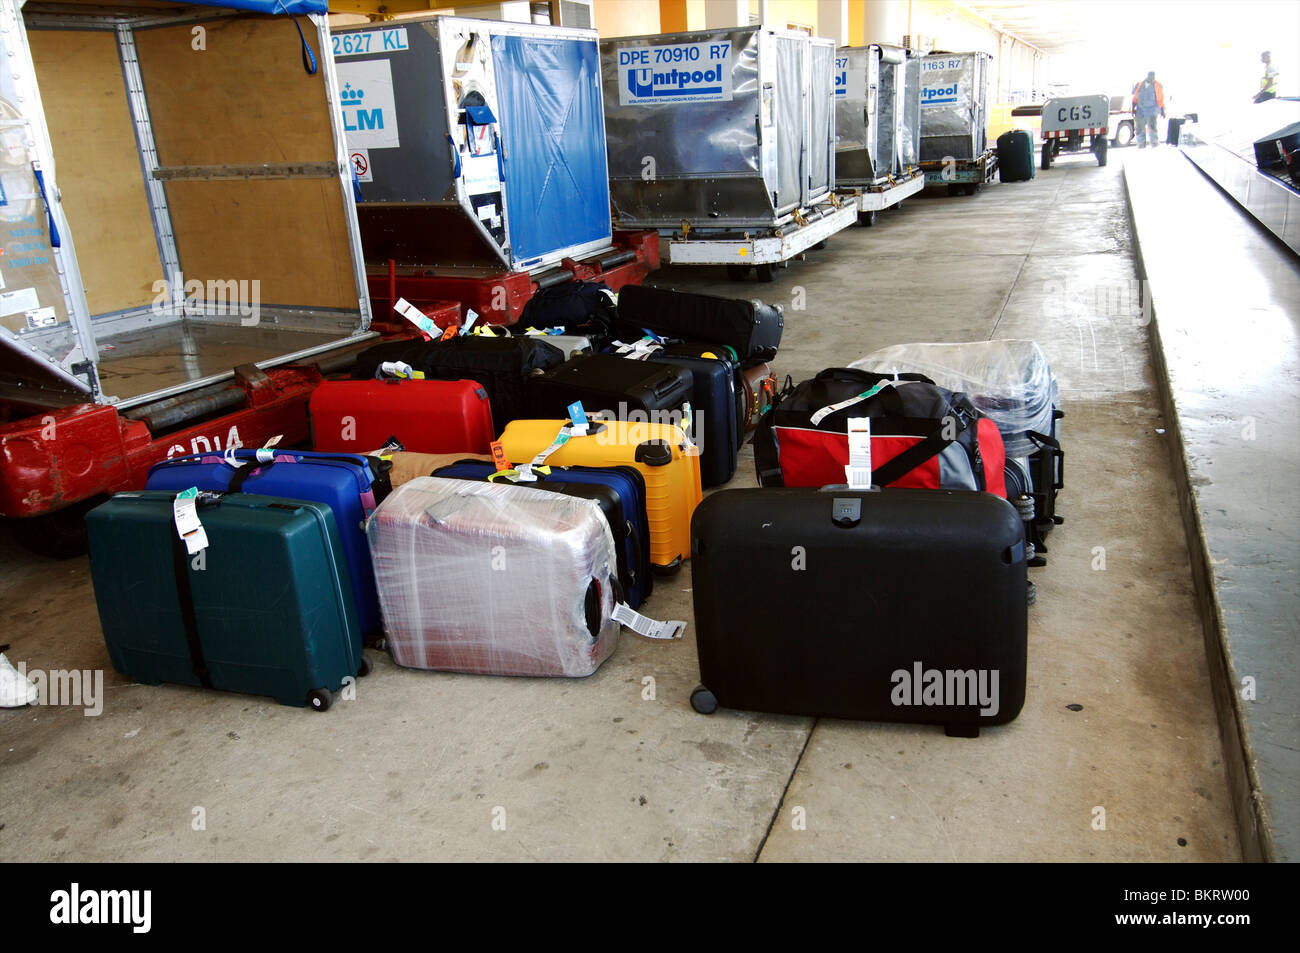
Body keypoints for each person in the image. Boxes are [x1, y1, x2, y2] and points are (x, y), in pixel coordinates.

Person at [1132, 71, 1165, 148]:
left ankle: (1154, 146)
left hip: (1152, 112)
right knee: (1139, 130)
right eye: (1151, 76)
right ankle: (1141, 146)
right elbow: (1135, 98)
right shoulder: (1139, 85)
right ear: (1147, 76)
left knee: (1152, 130)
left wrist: (1162, 111)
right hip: (1140, 112)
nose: (1152, 78)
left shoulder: (1157, 85)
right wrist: (1133, 108)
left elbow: (1160, 99)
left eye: (1154, 76)